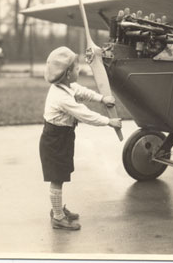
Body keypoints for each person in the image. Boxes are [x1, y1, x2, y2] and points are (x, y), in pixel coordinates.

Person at [39, 47, 122, 230]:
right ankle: (58, 218)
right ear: (68, 73)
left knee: (61, 174)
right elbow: (84, 114)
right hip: (55, 140)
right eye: (76, 68)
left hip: (62, 137)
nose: (79, 70)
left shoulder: (67, 86)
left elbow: (83, 92)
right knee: (57, 178)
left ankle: (57, 208)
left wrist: (102, 99)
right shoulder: (61, 97)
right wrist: (109, 121)